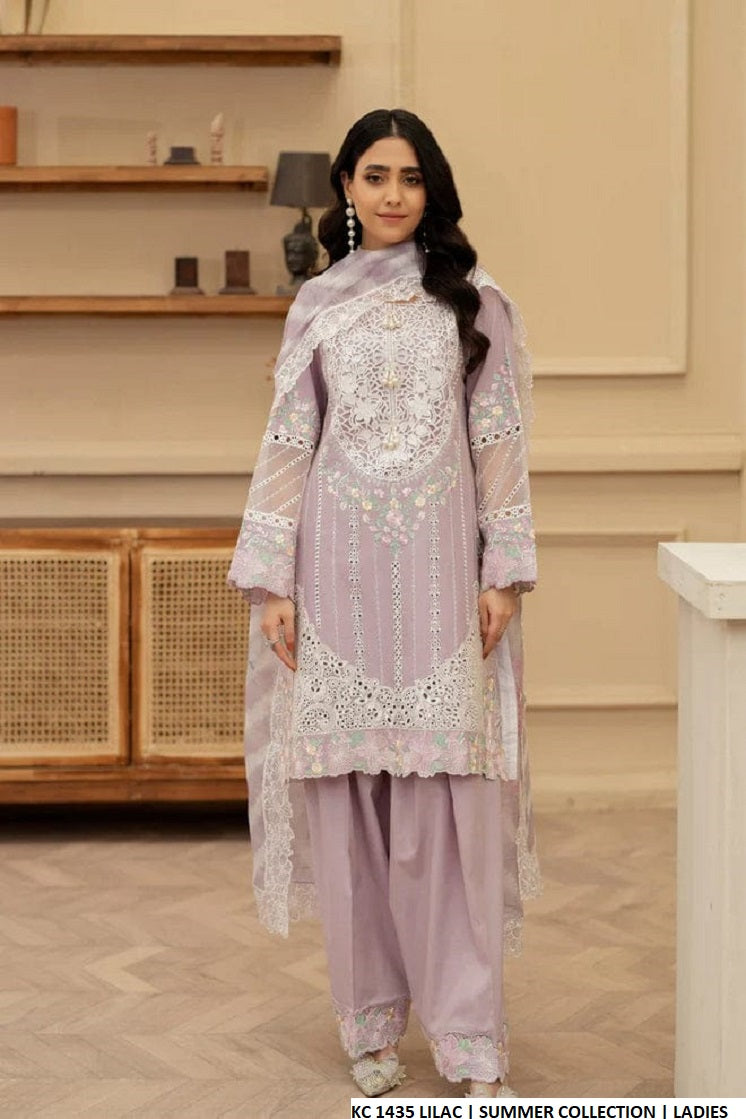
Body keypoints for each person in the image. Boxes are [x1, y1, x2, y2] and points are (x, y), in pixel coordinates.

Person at [227, 107, 540, 1100]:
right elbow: (290, 439)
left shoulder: (474, 302)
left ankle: (465, 1033)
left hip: (443, 579)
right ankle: (367, 1025)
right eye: (375, 175)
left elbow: (498, 440)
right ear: (348, 190)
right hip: (338, 578)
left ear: (430, 187)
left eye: (409, 176)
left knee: (450, 812)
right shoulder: (318, 304)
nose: (393, 193)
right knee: (348, 807)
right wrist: (273, 582)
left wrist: (503, 572)